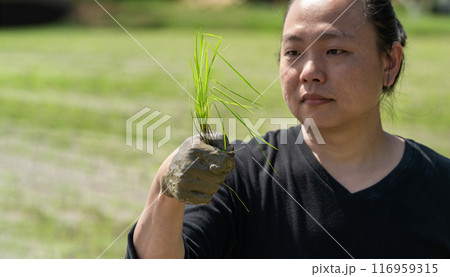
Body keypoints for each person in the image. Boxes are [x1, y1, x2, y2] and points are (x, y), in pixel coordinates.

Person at [126, 0, 450, 258]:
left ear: (389, 63)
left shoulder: (440, 185)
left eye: (335, 50)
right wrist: (165, 190)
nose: (309, 72)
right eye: (293, 52)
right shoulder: (238, 175)